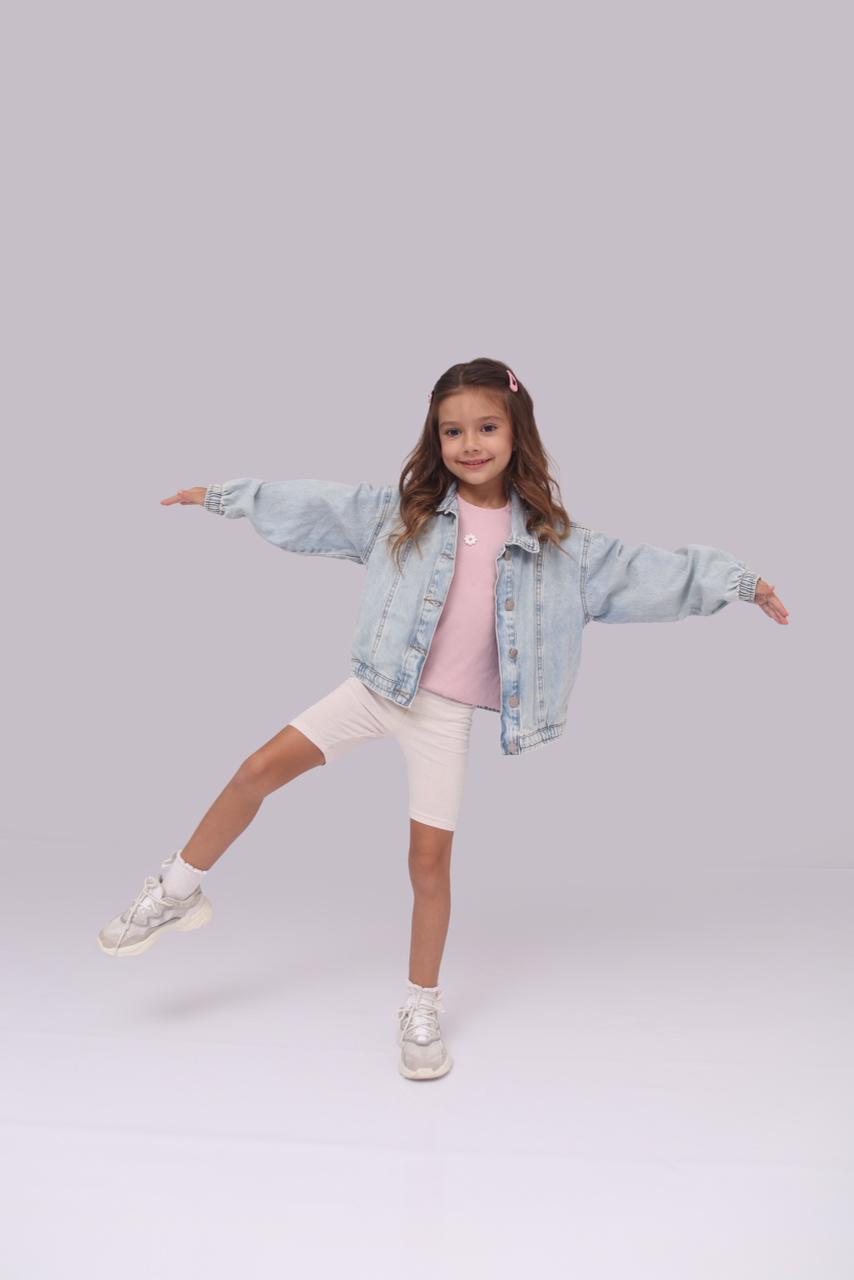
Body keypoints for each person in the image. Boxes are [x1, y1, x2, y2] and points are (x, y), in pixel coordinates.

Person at [97, 357, 789, 1081]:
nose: (470, 444)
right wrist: (228, 498)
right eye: (452, 431)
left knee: (428, 865)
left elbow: (652, 572)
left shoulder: (561, 547)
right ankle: (175, 892)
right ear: (436, 438)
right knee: (255, 771)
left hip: (442, 720)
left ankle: (421, 1006)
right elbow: (317, 506)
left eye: (486, 427)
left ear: (517, 432)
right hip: (375, 689)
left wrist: (739, 582)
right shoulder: (405, 514)